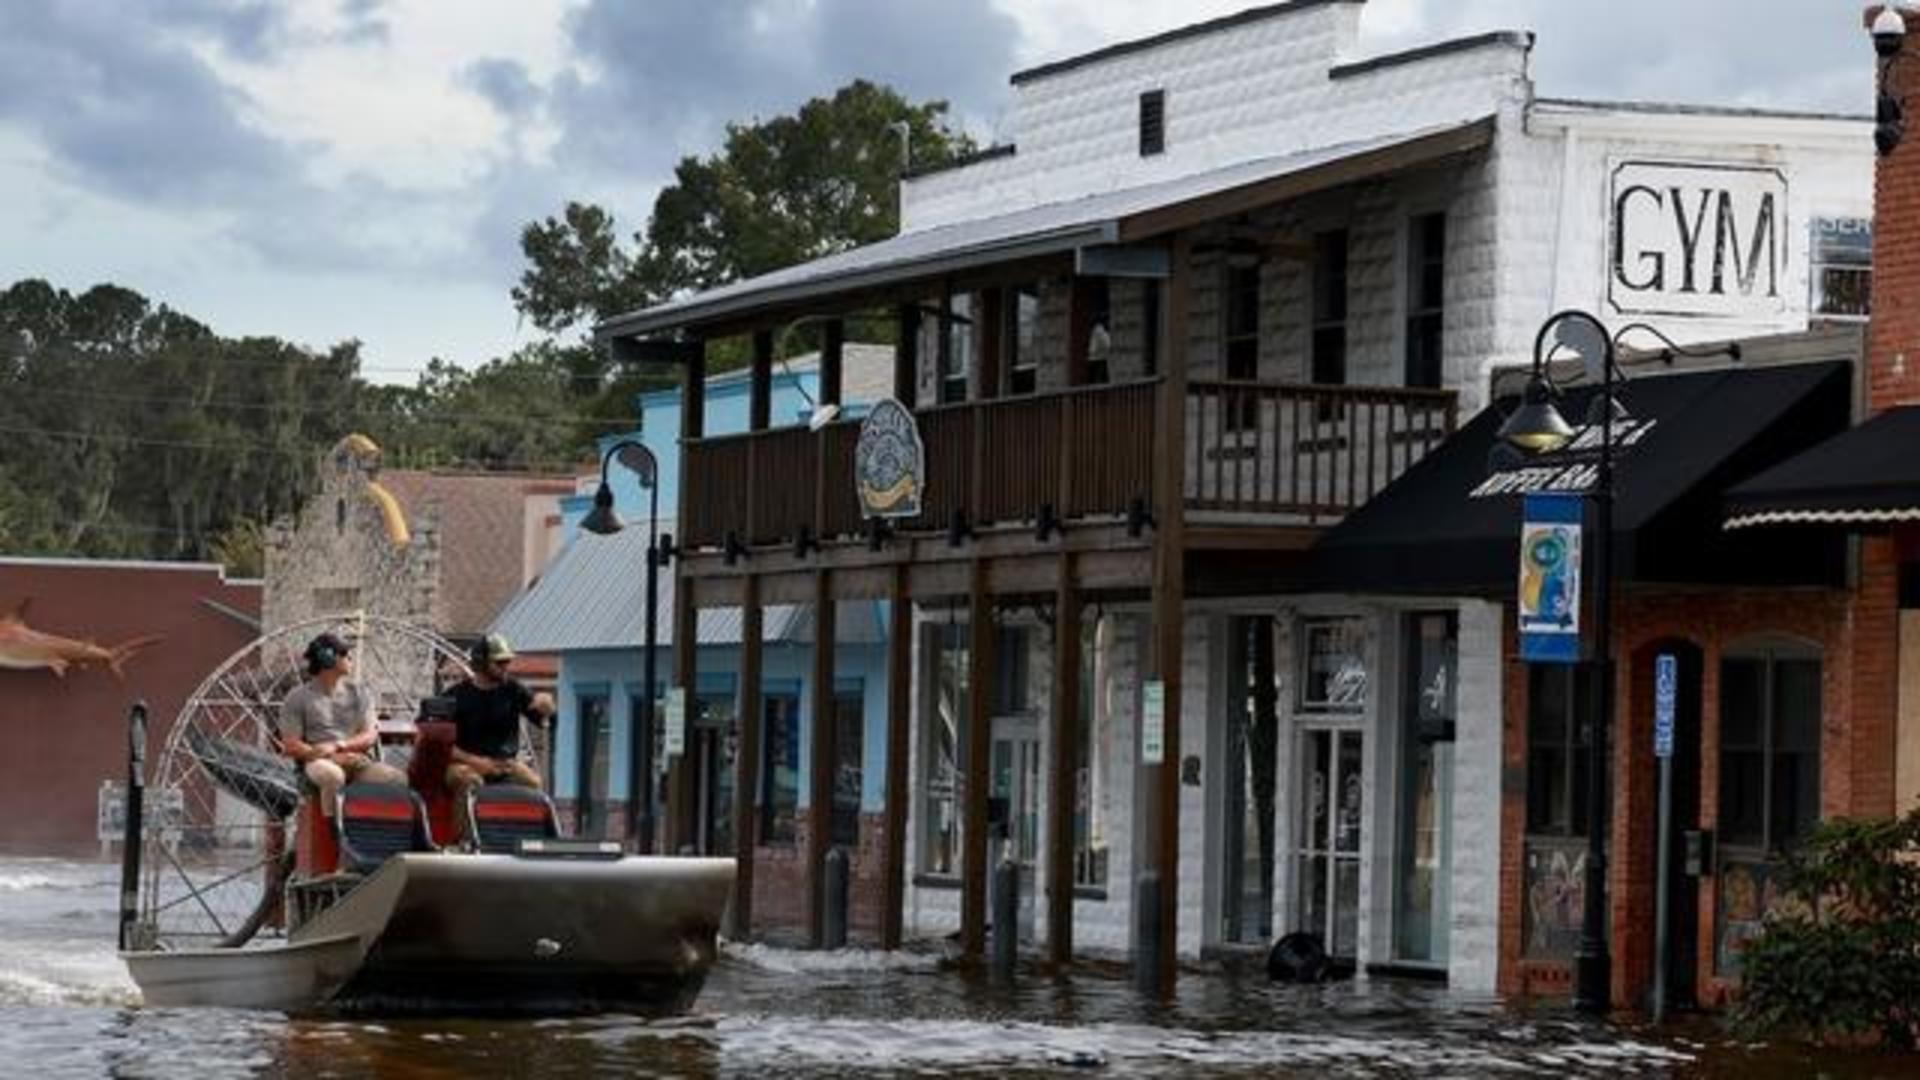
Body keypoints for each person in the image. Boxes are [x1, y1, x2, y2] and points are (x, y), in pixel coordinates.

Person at [278, 632, 406, 817]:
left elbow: (369, 735)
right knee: (333, 776)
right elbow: (291, 745)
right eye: (345, 653)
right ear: (327, 658)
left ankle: (380, 837)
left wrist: (339, 746)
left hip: (356, 760)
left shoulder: (360, 693)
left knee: (398, 780)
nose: (350, 658)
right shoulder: (298, 697)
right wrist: (329, 757)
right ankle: (332, 838)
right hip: (318, 763)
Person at [445, 633, 552, 807]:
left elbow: (546, 721)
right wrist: (475, 761)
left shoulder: (514, 690)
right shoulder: (455, 696)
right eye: (500, 663)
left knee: (533, 783)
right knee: (468, 782)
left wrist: (547, 708)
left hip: (505, 764)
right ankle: (466, 834)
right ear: (481, 663)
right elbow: (440, 744)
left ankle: (527, 832)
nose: (506, 667)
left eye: (507, 662)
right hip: (465, 764)